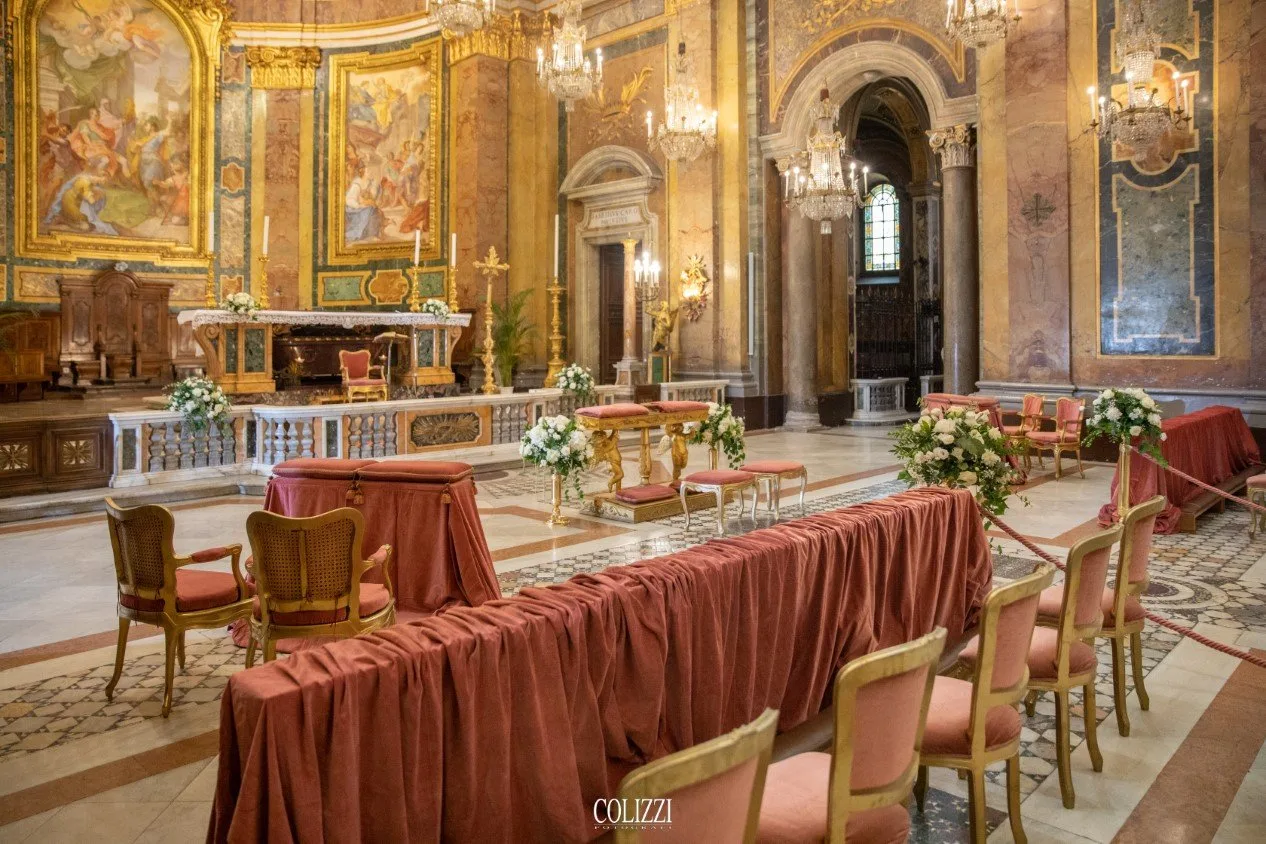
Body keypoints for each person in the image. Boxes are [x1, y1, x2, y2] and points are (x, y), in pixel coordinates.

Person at [344, 163, 384, 242]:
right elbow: (349, 200)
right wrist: (360, 205)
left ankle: (373, 233)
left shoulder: (371, 182)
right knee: (370, 210)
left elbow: (373, 196)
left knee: (372, 210)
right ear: (362, 172)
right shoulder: (357, 183)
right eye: (368, 171)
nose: (371, 172)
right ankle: (367, 234)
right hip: (354, 209)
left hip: (365, 206)